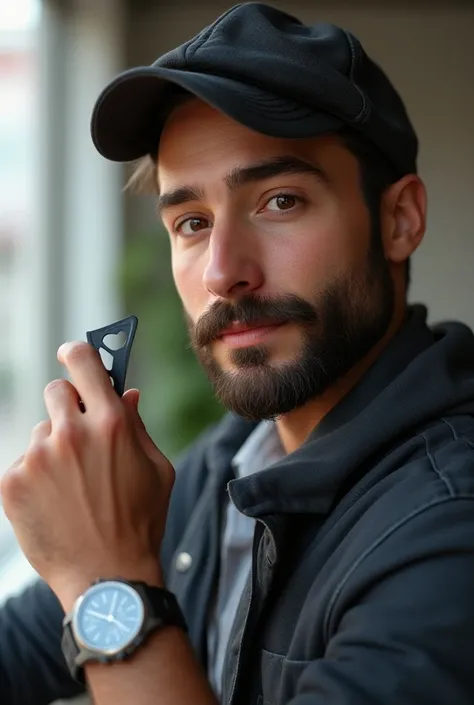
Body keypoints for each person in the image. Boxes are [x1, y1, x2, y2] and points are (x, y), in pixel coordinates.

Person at [1, 2, 474, 704]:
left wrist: (109, 581)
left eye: (280, 201)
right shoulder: (231, 462)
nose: (224, 271)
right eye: (191, 222)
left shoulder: (450, 522)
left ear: (399, 219)